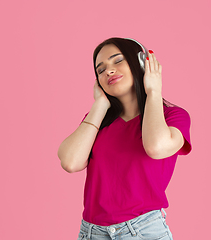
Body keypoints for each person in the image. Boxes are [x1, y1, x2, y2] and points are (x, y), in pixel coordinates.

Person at [58, 37, 192, 240]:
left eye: (117, 60)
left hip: (143, 232)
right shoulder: (97, 121)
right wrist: (100, 105)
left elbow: (155, 147)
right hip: (92, 233)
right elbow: (70, 162)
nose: (108, 71)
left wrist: (153, 91)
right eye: (101, 70)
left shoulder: (172, 117)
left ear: (141, 62)